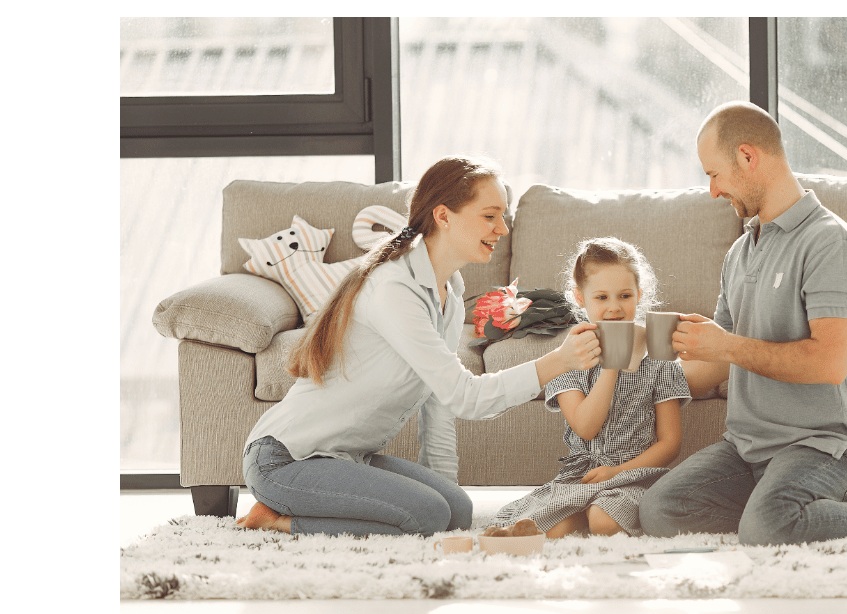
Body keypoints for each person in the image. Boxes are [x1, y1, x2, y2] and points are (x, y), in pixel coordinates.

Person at [235, 156, 602, 538]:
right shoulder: (394, 288)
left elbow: (439, 404)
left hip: (345, 458)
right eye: (490, 216)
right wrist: (558, 361)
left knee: (454, 511)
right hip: (286, 458)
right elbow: (466, 397)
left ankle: (402, 508)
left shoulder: (449, 293)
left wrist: (442, 494)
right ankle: (279, 519)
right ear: (443, 216)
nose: (503, 229)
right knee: (426, 516)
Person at [639, 102, 847, 545]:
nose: (712, 191)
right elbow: (717, 366)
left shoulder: (830, 243)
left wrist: (725, 345)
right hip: (746, 448)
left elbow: (828, 363)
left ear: (748, 157)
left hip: (822, 446)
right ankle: (776, 507)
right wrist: (643, 375)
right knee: (660, 511)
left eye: (714, 174)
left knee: (768, 527)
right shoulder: (740, 253)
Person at [488, 237, 692, 538]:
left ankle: (588, 512)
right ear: (580, 297)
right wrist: (612, 364)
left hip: (634, 475)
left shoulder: (659, 361)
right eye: (601, 298)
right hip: (581, 475)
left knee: (604, 521)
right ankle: (562, 518)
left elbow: (670, 443)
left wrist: (617, 472)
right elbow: (585, 427)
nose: (614, 308)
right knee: (545, 526)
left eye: (624, 296)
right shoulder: (568, 359)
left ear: (639, 294)